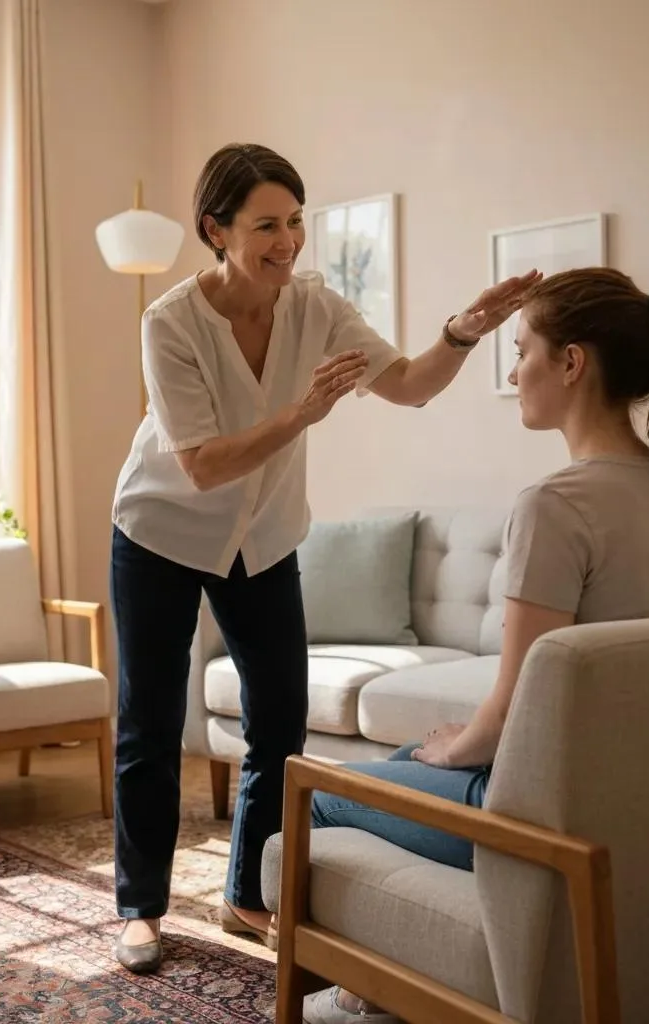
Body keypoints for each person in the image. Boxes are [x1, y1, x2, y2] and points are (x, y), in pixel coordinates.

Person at [109, 142, 539, 974]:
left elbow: (409, 384)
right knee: (151, 725)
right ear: (217, 230)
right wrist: (305, 413)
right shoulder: (169, 323)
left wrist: (462, 331)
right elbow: (200, 464)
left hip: (263, 537)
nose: (289, 240)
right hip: (162, 532)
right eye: (267, 224)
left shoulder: (316, 306)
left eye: (297, 221)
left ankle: (248, 892)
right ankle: (141, 908)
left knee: (279, 720)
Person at [300, 266, 649, 1024]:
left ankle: (372, 996)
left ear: (571, 362)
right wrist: (457, 743)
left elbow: (516, 706)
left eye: (522, 347)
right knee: (399, 760)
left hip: (548, 818)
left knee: (325, 794)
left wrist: (459, 746)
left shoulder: (555, 507)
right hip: (645, 803)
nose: (515, 367)